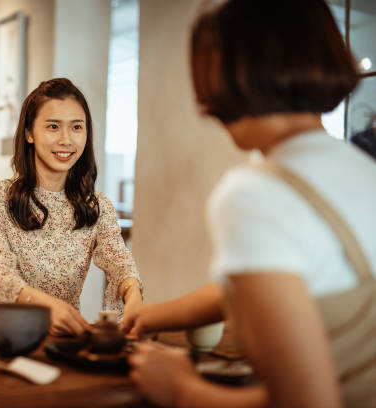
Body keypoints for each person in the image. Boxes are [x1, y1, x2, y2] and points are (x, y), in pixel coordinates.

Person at [123, 0, 376, 407]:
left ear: (233, 73)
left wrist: (181, 389)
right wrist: (155, 315)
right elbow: (274, 286)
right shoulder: (361, 171)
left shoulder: (254, 194)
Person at [0, 78, 142, 336]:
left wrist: (133, 295)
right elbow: (0, 275)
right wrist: (50, 307)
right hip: (9, 336)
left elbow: (120, 261)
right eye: (53, 127)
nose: (66, 140)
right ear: (29, 133)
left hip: (66, 339)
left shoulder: (97, 207)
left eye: (76, 127)